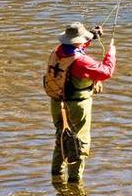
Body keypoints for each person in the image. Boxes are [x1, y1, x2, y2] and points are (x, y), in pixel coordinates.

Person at [49, 22, 116, 184]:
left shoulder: (58, 51)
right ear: (78, 41)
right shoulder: (82, 62)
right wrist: (111, 53)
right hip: (77, 106)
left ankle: (56, 174)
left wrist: (92, 36)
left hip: (57, 103)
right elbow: (106, 72)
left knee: (61, 136)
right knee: (79, 143)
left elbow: (76, 49)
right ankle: (74, 182)